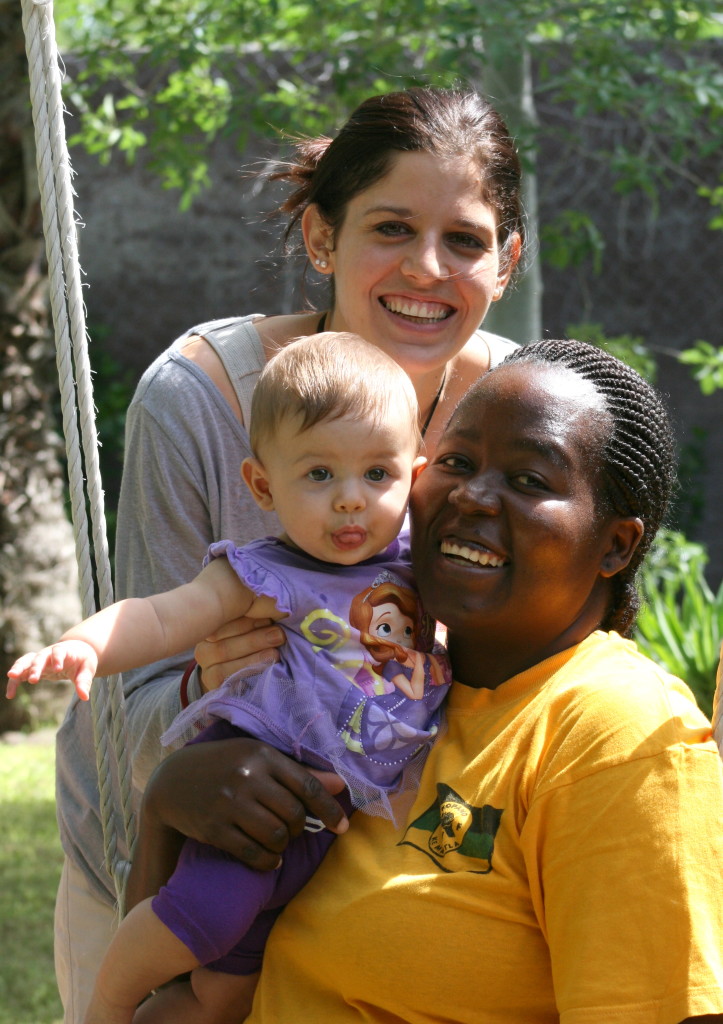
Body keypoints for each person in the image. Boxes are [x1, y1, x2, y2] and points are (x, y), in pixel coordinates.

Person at [49, 85, 525, 1023]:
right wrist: (195, 717)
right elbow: (129, 691)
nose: (426, 269)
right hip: (166, 838)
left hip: (360, 852)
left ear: (505, 262)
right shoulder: (200, 397)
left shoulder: (511, 412)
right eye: (390, 227)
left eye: (464, 240)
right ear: (320, 238)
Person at [138, 339, 722, 1023]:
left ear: (614, 545)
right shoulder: (384, 694)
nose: (472, 495)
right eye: (455, 462)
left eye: (530, 480)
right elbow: (174, 999)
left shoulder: (611, 732)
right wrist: (167, 808)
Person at [8, 333, 452, 1023]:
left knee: (227, 993)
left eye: (377, 475)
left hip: (330, 828)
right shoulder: (263, 574)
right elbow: (162, 619)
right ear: (261, 485)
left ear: (414, 476)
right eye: (317, 475)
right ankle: (105, 1006)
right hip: (251, 796)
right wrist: (87, 642)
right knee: (207, 921)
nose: (348, 501)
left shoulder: (420, 569)